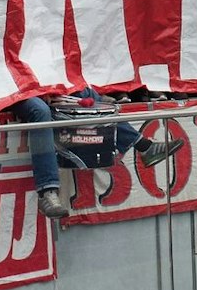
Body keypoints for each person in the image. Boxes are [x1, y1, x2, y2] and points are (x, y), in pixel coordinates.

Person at [11, 88, 182, 218]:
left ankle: (144, 146)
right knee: (40, 111)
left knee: (87, 93)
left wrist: (47, 87)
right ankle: (47, 191)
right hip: (13, 88)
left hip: (37, 83)